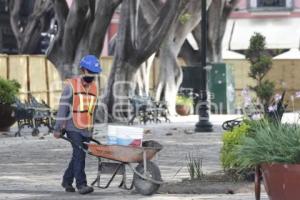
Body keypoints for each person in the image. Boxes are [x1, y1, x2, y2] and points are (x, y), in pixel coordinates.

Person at [53, 55, 102, 195]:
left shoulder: (94, 88)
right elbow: (63, 108)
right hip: (72, 127)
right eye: (90, 72)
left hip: (86, 129)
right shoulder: (71, 86)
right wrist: (58, 128)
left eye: (94, 73)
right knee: (80, 154)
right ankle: (82, 184)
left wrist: (91, 130)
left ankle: (67, 181)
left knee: (77, 155)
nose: (92, 76)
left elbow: (92, 110)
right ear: (83, 70)